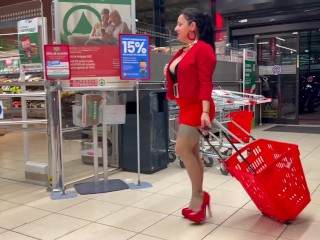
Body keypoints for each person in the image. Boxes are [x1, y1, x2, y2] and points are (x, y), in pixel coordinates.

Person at [163, 8, 216, 223]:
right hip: (186, 106)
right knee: (193, 152)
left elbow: (206, 82)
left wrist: (204, 112)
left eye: (180, 24)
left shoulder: (203, 50)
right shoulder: (185, 50)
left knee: (181, 149)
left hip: (198, 107)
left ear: (192, 26)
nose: (176, 28)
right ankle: (198, 199)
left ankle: (199, 197)